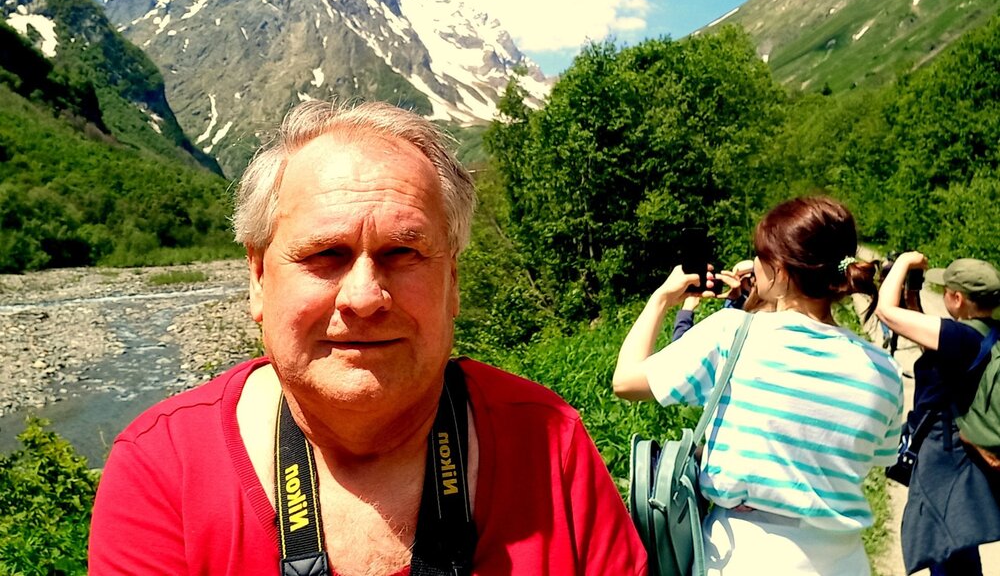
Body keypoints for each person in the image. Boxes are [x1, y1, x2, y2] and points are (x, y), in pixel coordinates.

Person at [88, 100, 646, 575]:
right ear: (258, 278)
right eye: (325, 254)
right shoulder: (163, 469)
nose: (363, 297)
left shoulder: (548, 443)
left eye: (402, 252)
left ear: (452, 280)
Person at [613, 196, 903, 575]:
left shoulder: (733, 333)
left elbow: (626, 381)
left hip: (744, 554)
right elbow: (878, 458)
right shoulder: (884, 370)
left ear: (779, 271)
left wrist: (662, 298)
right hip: (843, 561)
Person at [875, 254, 1000, 576]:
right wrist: (913, 295)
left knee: (942, 540)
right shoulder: (984, 333)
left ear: (957, 298)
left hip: (944, 454)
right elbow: (929, 340)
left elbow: (885, 312)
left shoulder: (959, 337)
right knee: (956, 537)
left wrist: (903, 262)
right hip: (963, 449)